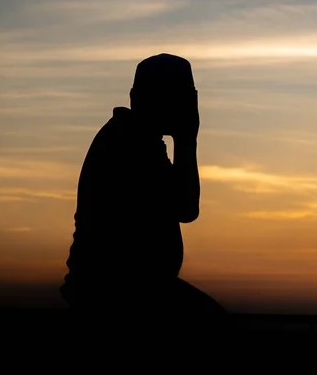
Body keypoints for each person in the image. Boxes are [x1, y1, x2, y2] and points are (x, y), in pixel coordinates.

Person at [60, 53, 226, 333]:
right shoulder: (128, 144)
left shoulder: (141, 141)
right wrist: (188, 140)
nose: (190, 105)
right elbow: (187, 208)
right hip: (119, 296)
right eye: (184, 95)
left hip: (132, 290)